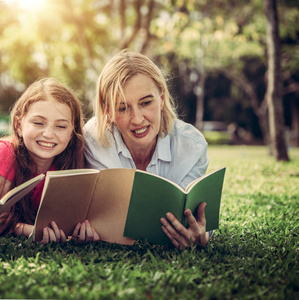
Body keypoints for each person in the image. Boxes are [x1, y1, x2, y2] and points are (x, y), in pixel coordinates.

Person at [84, 50, 211, 250]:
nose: (137, 119)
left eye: (146, 103)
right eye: (123, 108)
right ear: (108, 110)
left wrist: (200, 232)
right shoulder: (93, 141)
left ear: (161, 98)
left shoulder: (192, 146)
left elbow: (194, 216)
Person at [0, 77, 100, 244]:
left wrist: (82, 232)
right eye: (39, 123)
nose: (48, 134)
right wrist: (31, 230)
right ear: (19, 125)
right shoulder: (5, 153)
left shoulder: (71, 165)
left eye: (60, 126)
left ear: (71, 132)